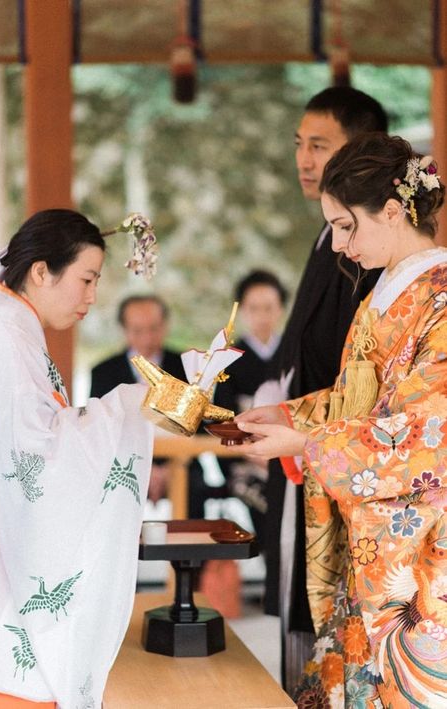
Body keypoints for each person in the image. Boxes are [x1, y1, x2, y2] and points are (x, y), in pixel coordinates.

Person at [237, 132, 447, 707]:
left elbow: (432, 434)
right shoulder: (384, 293)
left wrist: (307, 441)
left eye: (347, 225)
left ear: (393, 210)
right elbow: (358, 403)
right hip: (370, 535)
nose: (338, 243)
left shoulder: (441, 297)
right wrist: (289, 413)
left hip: (419, 547)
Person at [0, 209, 154, 707]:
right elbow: (37, 453)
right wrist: (130, 405)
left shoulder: (7, 324)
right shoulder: (3, 338)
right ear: (40, 272)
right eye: (87, 279)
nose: (92, 297)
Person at [262, 86, 387, 692]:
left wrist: (309, 434)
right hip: (317, 449)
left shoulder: (397, 269)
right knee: (310, 631)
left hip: (359, 470)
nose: (305, 160)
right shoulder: (333, 241)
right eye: (299, 146)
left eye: (320, 146)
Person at [90, 295, 217, 517]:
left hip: (181, 462)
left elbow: (198, 426)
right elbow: (100, 429)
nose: (147, 337)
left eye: (154, 328)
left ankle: (190, 551)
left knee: (195, 489)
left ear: (166, 325)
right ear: (124, 330)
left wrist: (169, 467)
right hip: (124, 463)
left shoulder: (187, 367)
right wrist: (142, 468)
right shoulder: (103, 372)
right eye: (138, 330)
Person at [213, 269, 288, 544]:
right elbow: (223, 418)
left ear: (281, 309)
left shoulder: (293, 354)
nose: (262, 316)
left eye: (269, 307)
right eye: (254, 308)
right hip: (246, 462)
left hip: (291, 454)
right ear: (242, 311)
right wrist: (258, 455)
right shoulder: (229, 360)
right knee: (273, 518)